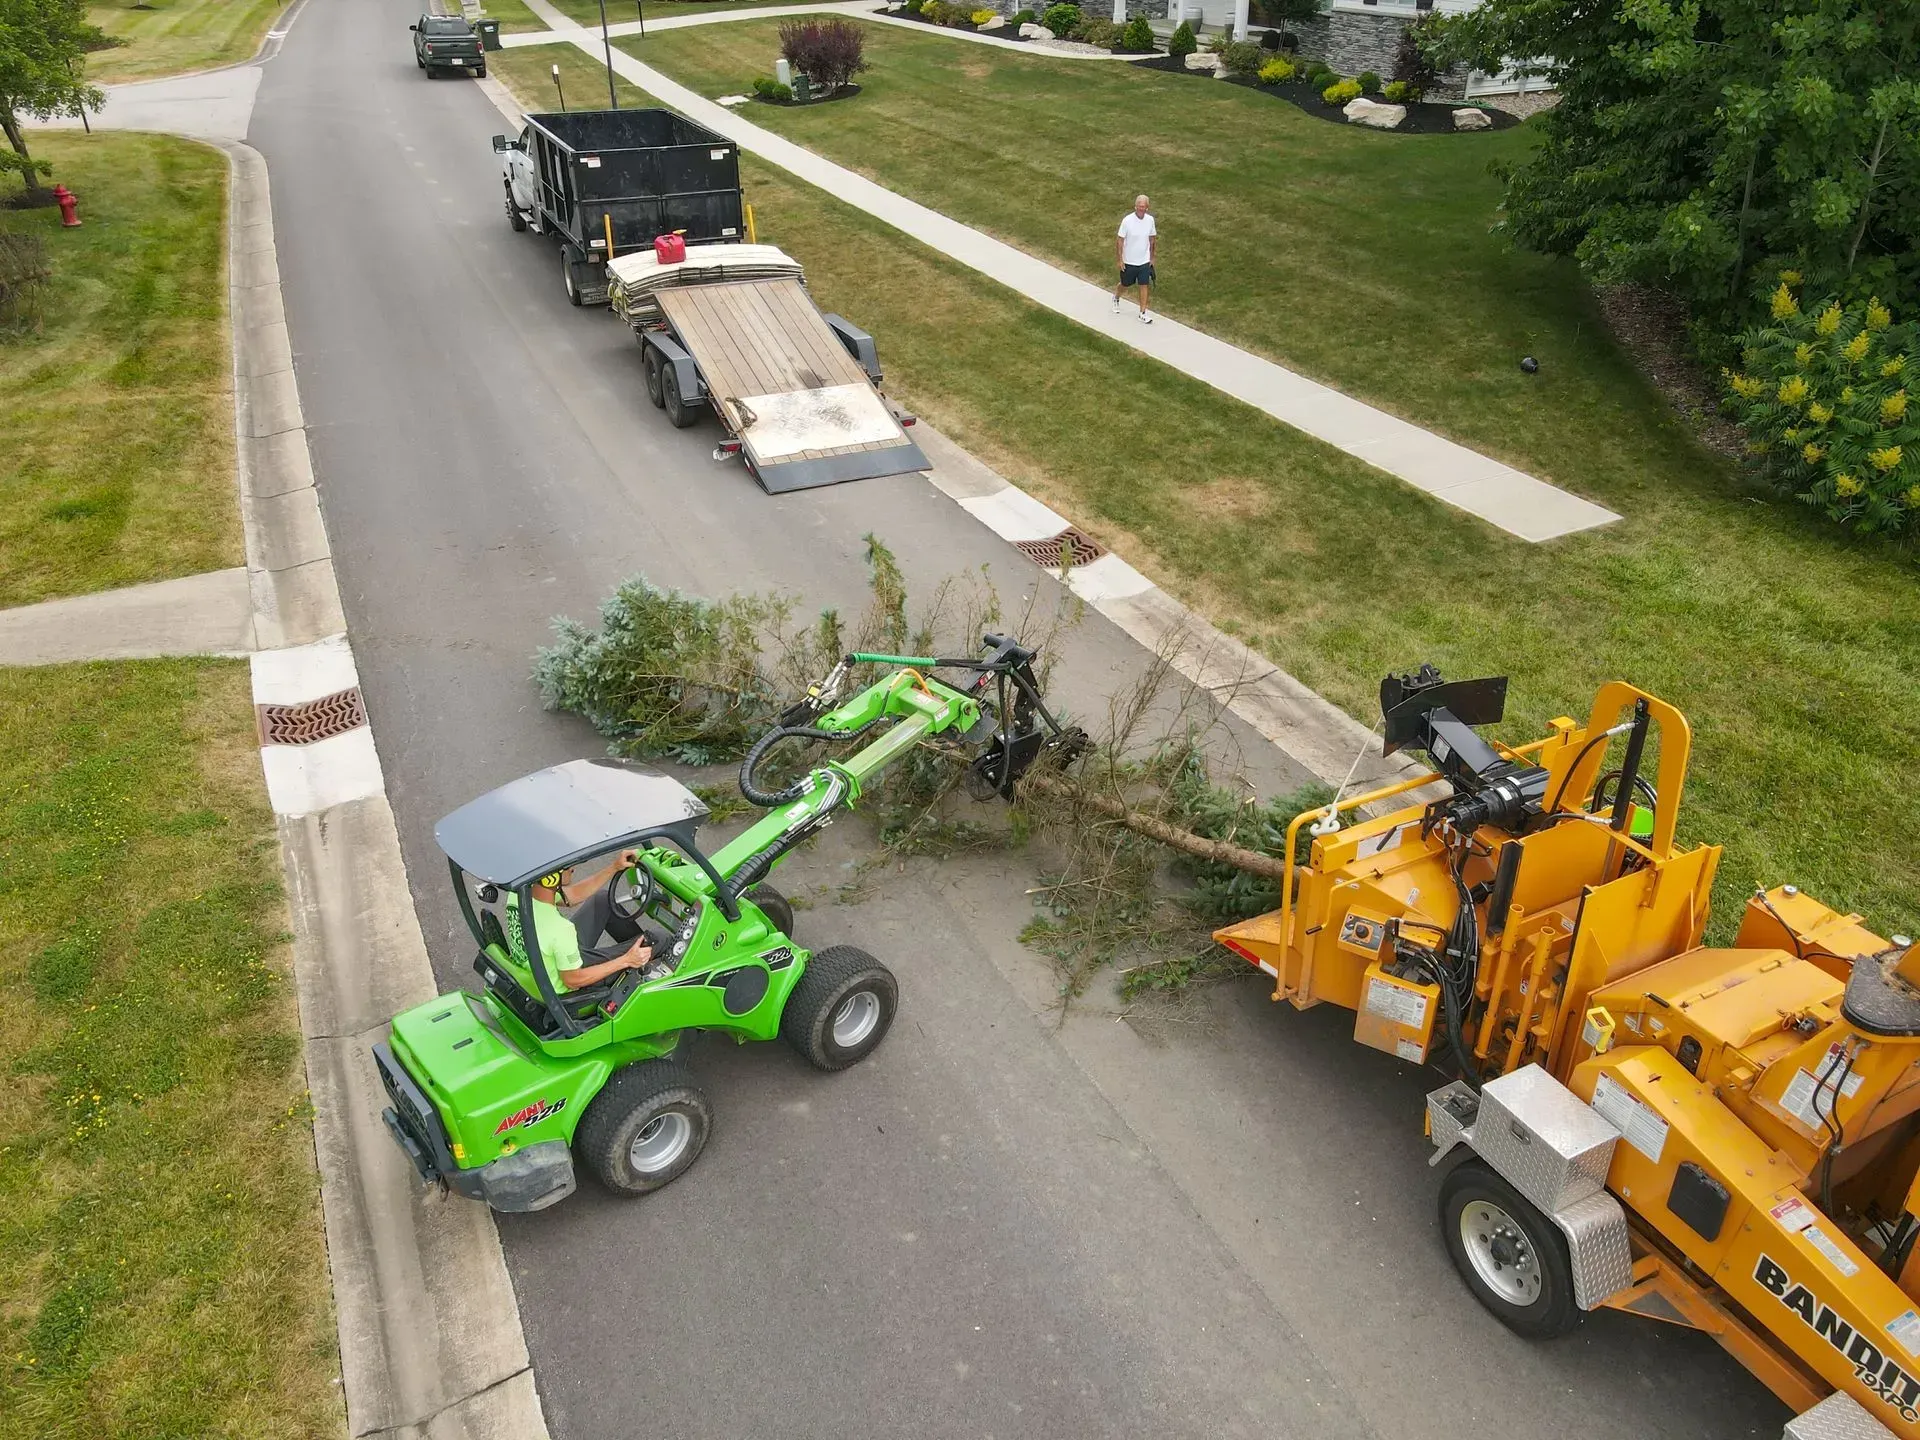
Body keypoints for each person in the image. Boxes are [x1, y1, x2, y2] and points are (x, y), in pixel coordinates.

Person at [505, 852, 656, 993]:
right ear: (550, 878)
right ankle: (644, 955)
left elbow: (572, 895)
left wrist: (614, 867)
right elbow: (573, 981)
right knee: (656, 940)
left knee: (602, 900)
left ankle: (641, 954)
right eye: (567, 865)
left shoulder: (519, 895)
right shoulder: (561, 930)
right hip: (572, 984)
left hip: (547, 961)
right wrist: (626, 960)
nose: (573, 868)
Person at [1112, 194, 1157, 324]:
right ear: (1135, 206)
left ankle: (1142, 313)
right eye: (1139, 206)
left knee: (1144, 285)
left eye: (1144, 207)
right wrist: (1120, 260)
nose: (1141, 209)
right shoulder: (1127, 221)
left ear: (1147, 208)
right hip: (1129, 261)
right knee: (1125, 284)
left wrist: (1152, 257)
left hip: (1144, 261)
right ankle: (1116, 297)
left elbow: (1152, 239)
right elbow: (1120, 241)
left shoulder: (1150, 220)